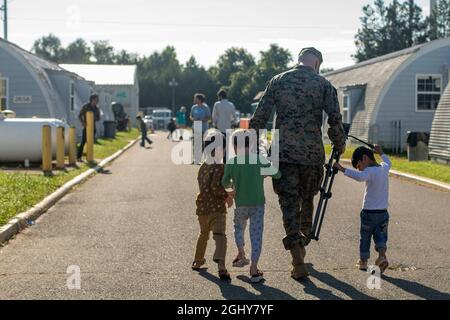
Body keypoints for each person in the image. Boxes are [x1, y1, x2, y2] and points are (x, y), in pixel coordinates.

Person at [249, 47, 346, 281]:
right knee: (308, 199)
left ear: (299, 61)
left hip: (283, 154)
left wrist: (251, 147)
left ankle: (296, 256)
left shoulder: (278, 81)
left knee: (288, 203)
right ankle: (302, 241)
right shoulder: (323, 85)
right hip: (312, 154)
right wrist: (339, 145)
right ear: (317, 63)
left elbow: (259, 117)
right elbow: (335, 119)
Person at [222, 130, 281, 283]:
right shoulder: (258, 159)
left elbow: (225, 183)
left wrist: (232, 188)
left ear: (235, 146)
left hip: (240, 203)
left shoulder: (232, 162)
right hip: (257, 204)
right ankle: (254, 268)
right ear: (252, 144)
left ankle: (241, 253)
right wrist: (265, 173)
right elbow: (277, 174)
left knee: (238, 228)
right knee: (256, 234)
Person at [334, 145, 391, 273]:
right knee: (381, 237)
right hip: (383, 213)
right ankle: (382, 257)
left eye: (359, 166)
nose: (360, 170)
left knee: (365, 237)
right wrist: (381, 152)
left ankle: (363, 262)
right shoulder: (384, 168)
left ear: (364, 158)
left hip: (369, 213)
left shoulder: (369, 172)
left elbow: (359, 177)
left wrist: (342, 169)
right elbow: (388, 162)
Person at [192, 130, 233, 281]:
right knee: (220, 236)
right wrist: (227, 196)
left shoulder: (203, 166)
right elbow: (216, 188)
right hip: (216, 208)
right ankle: (221, 266)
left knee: (203, 234)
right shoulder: (219, 166)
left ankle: (198, 260)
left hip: (202, 208)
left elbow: (203, 186)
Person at [213, 89, 237, 161]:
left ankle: (217, 160)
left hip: (219, 127)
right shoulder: (231, 104)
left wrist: (214, 123)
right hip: (228, 127)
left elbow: (214, 116)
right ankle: (225, 160)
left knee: (218, 144)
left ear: (220, 96)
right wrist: (232, 123)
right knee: (226, 145)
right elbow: (235, 117)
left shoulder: (217, 104)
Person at [77, 94, 101, 161]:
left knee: (90, 142)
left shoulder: (96, 108)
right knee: (83, 141)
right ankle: (78, 157)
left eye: (97, 100)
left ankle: (89, 157)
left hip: (93, 127)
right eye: (96, 99)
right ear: (92, 99)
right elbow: (79, 115)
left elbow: (99, 118)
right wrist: (82, 122)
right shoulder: (86, 106)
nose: (97, 101)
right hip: (86, 127)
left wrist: (94, 117)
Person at [190, 93, 212, 164]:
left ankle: (200, 159)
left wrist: (202, 119)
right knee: (195, 143)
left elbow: (209, 117)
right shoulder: (194, 107)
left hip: (203, 127)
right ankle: (195, 159)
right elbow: (191, 116)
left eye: (195, 98)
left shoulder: (205, 107)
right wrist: (193, 119)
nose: (194, 100)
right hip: (196, 127)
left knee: (202, 144)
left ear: (199, 99)